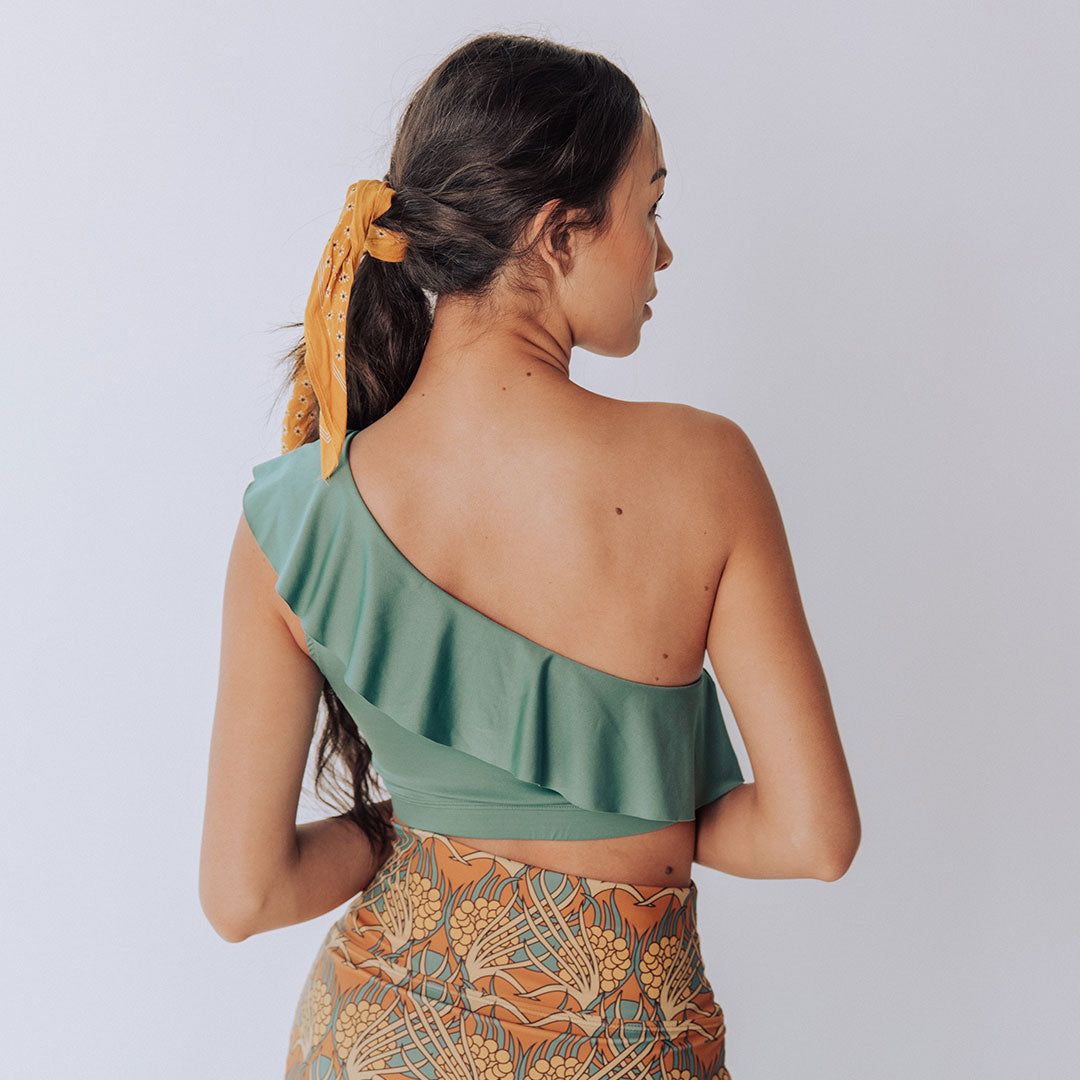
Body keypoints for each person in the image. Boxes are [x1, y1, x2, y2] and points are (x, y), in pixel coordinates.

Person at [199, 31, 860, 1080]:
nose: (663, 252)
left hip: (376, 1038)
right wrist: (631, 801)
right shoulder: (706, 470)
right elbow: (813, 836)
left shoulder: (293, 513)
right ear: (557, 235)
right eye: (650, 207)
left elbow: (246, 897)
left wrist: (409, 827)